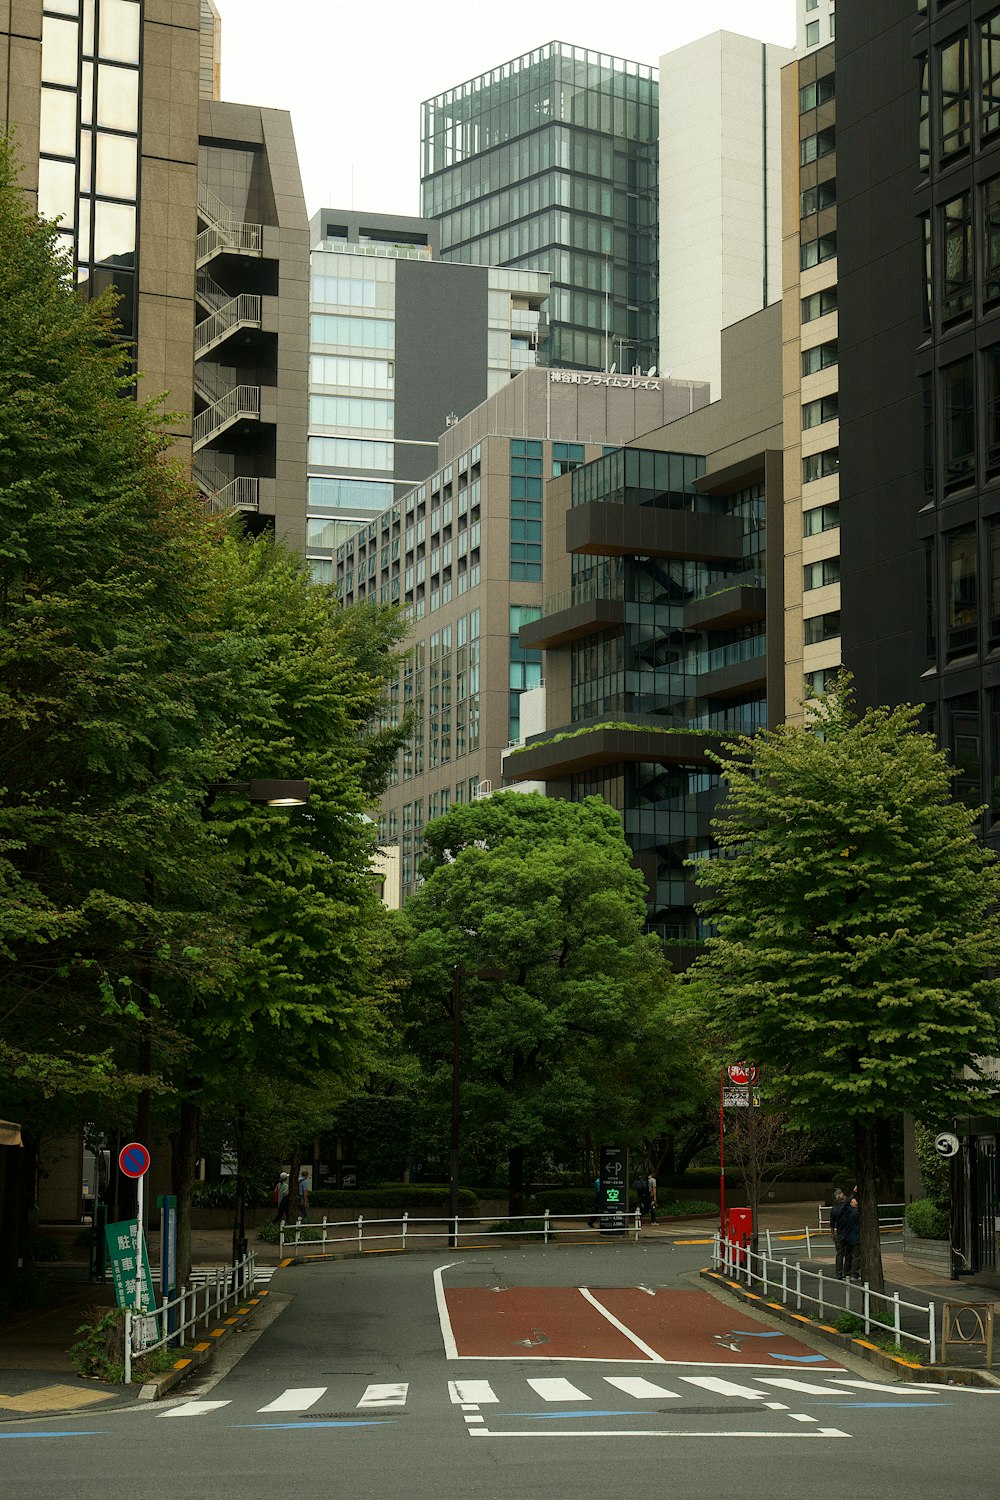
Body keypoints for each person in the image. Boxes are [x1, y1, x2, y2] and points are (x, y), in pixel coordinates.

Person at [841, 1193, 861, 1281]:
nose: (854, 1200)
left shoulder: (847, 1211)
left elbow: (845, 1203)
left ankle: (846, 1273)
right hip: (855, 1237)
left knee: (848, 1257)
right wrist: (854, 1193)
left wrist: (853, 1193)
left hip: (847, 1237)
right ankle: (854, 1274)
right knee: (856, 1256)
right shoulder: (857, 1212)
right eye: (853, 1200)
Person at [829, 1188, 847, 1278]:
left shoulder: (834, 1209)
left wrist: (832, 1234)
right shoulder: (846, 1206)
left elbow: (832, 1224)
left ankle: (839, 1273)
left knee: (839, 1254)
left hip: (839, 1233)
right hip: (848, 1233)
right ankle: (847, 1272)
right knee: (849, 1253)